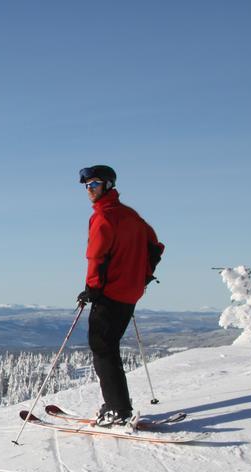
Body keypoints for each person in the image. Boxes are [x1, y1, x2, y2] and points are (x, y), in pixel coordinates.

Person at [76, 165, 164, 427]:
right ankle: (115, 404)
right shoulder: (131, 216)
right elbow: (156, 247)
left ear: (108, 185)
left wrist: (92, 287)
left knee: (102, 348)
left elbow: (96, 256)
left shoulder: (104, 217)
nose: (89, 190)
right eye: (86, 185)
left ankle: (119, 409)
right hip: (131, 292)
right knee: (108, 345)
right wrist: (144, 274)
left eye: (94, 184)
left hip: (110, 292)